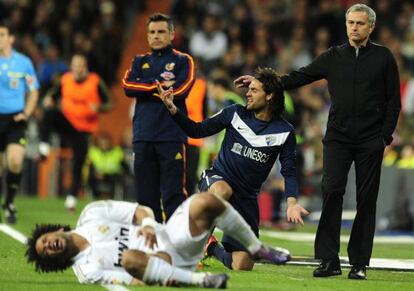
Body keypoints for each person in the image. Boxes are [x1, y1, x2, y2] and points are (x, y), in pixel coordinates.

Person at [234, 3, 401, 280]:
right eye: (351, 23)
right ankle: (328, 260)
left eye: (360, 24)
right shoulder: (333, 56)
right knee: (331, 191)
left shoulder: (384, 58)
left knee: (366, 199)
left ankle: (359, 263)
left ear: (371, 27)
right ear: (346, 25)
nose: (354, 28)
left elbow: (393, 101)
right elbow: (298, 77)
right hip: (338, 137)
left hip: (371, 139)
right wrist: (264, 83)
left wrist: (384, 137)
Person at [159, 68, 309, 271]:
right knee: (222, 190)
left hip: (246, 198)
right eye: (249, 89)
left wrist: (292, 203)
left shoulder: (284, 131)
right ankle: (186, 247)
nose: (248, 93)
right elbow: (197, 130)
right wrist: (173, 110)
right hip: (217, 180)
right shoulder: (235, 113)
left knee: (243, 265)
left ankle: (210, 248)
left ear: (270, 95)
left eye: (254, 90)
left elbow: (289, 170)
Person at [25, 192, 291, 288]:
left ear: (57, 229)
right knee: (130, 258)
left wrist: (149, 225)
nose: (49, 246)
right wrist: (151, 274)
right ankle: (202, 282)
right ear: (55, 261)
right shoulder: (86, 270)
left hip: (171, 235)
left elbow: (140, 211)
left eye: (46, 240)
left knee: (207, 201)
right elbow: (132, 279)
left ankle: (258, 248)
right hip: (162, 265)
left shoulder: (91, 214)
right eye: (46, 252)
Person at [122, 13, 195, 222]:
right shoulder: (139, 61)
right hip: (143, 136)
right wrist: (157, 86)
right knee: (145, 197)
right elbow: (127, 86)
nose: (156, 36)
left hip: (172, 135)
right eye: (152, 32)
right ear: (147, 36)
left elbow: (181, 90)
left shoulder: (184, 61)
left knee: (173, 195)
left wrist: (144, 87)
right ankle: (151, 246)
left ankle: (176, 244)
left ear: (172, 34)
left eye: (161, 31)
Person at [39, 54, 113, 211]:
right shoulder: (65, 79)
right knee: (49, 113)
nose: (78, 68)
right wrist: (49, 99)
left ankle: (71, 198)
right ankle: (44, 146)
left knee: (78, 163)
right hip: (68, 123)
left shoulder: (95, 81)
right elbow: (52, 94)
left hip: (83, 130)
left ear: (85, 67)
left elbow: (110, 102)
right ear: (71, 67)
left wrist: (99, 108)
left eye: (81, 65)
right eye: (75, 65)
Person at [0, 22, 39, 223]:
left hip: (15, 119)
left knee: (15, 162)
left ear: (11, 38)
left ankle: (9, 202)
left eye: (2, 34)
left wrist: (26, 112)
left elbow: (33, 90)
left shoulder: (24, 63)